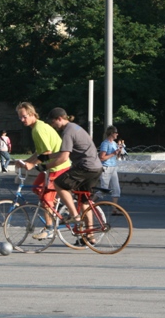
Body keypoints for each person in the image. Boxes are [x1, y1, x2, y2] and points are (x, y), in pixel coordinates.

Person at [13, 102, 71, 240]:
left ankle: (50, 228)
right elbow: (39, 153)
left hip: (57, 166)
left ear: (32, 114)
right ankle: (56, 208)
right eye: (20, 117)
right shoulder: (37, 128)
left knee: (45, 197)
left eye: (24, 117)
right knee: (37, 187)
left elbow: (47, 152)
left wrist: (32, 165)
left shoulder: (38, 129)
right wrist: (27, 161)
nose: (22, 120)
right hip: (51, 166)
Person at [41, 108, 102, 233]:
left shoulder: (67, 132)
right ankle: (89, 235)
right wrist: (47, 156)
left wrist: (45, 166)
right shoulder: (75, 127)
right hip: (96, 168)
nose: (53, 126)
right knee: (85, 201)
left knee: (59, 183)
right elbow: (64, 152)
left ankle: (74, 215)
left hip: (85, 167)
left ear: (59, 119)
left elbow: (63, 158)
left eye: (53, 123)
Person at [98, 125, 122, 207]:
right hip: (106, 168)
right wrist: (113, 153)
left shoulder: (114, 143)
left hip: (113, 168)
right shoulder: (105, 143)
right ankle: (89, 204)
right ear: (111, 133)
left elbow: (117, 156)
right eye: (116, 133)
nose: (117, 134)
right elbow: (102, 158)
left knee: (116, 189)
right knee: (103, 190)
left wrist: (119, 151)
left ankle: (114, 209)